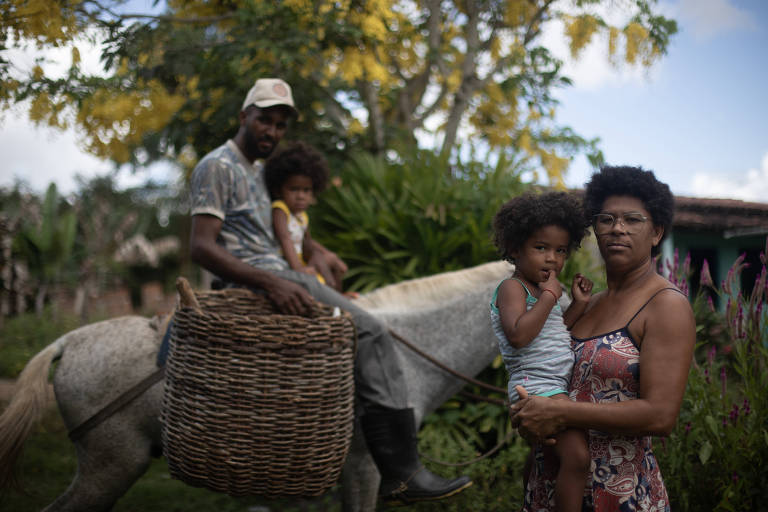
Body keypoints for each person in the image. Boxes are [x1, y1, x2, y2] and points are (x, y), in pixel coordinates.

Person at [188, 77, 472, 503]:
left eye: (281, 125)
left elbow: (281, 227)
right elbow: (201, 246)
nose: (272, 131)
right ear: (244, 116)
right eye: (264, 120)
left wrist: (319, 250)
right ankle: (401, 473)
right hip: (265, 281)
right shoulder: (218, 166)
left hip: (285, 273)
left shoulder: (260, 172)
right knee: (373, 331)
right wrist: (271, 281)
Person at [510, 166, 696, 511]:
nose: (617, 228)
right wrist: (530, 414)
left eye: (632, 220)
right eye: (606, 219)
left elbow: (660, 415)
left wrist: (560, 411)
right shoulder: (587, 305)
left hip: (618, 494)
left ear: (656, 232)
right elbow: (544, 371)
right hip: (549, 487)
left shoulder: (665, 306)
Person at [490, 191, 592, 512]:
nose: (552, 259)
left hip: (554, 386)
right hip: (535, 386)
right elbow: (520, 335)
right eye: (541, 248)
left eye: (560, 251)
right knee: (577, 458)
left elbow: (556, 329)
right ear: (514, 249)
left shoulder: (543, 292)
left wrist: (578, 304)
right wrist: (549, 296)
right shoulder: (512, 288)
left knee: (550, 460)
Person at [264, 141, 349, 293]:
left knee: (331, 260)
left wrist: (330, 254)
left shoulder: (302, 216)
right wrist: (299, 269)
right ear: (278, 190)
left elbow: (308, 241)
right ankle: (333, 295)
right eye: (294, 189)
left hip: (303, 261)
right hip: (287, 264)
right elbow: (285, 238)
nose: (301, 196)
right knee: (319, 258)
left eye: (306, 190)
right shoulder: (280, 210)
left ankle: (339, 296)